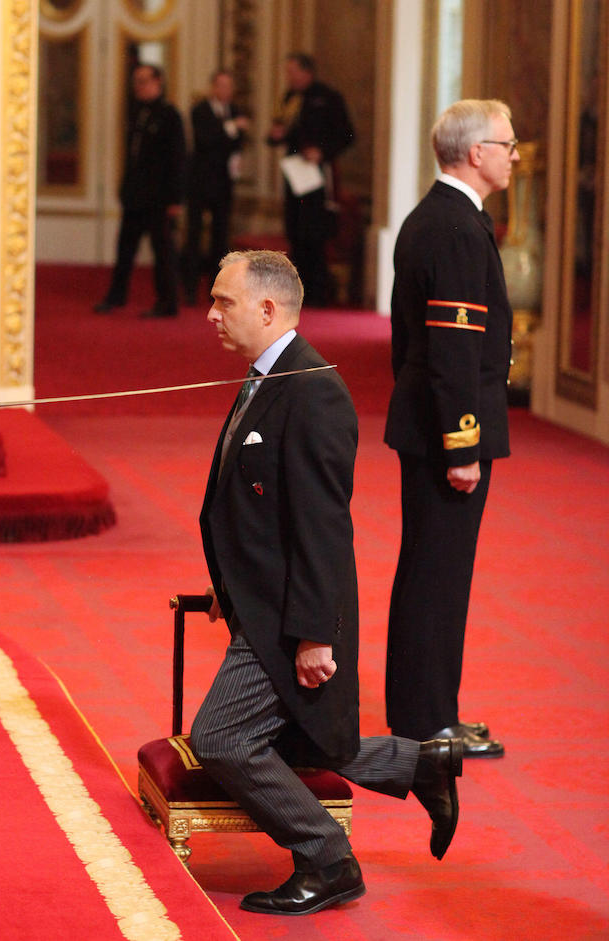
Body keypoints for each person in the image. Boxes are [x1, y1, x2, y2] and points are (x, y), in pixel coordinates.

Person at [189, 250, 463, 916]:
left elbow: (322, 530)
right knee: (301, 735)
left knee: (221, 739)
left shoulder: (311, 390)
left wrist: (316, 634)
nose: (210, 314)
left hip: (287, 615)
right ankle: (418, 763)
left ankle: (327, 856)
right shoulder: (271, 376)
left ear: (267, 307)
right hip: (258, 607)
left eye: (223, 301)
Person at [384, 100, 518, 757]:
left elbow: (405, 338)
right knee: (437, 574)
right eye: (507, 143)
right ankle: (424, 721)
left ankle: (433, 710)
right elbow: (453, 352)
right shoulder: (457, 227)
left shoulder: (437, 217)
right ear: (474, 152)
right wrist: (462, 443)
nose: (514, 154)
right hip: (448, 434)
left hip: (429, 423)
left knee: (435, 571)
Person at [94, 64, 185, 318]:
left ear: (159, 82)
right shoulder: (135, 113)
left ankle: (167, 303)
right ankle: (116, 296)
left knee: (163, 253)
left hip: (159, 198)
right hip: (135, 195)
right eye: (136, 81)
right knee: (124, 249)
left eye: (144, 81)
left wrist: (175, 199)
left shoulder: (170, 115)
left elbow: (178, 159)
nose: (139, 86)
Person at [266, 52, 353, 307]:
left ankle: (317, 292)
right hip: (294, 173)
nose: (289, 77)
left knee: (315, 231)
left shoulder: (329, 98)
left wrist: (322, 151)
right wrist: (275, 135)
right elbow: (278, 132)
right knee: (294, 229)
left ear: (307, 72)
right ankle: (297, 290)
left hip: (318, 176)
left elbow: (347, 135)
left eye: (293, 72)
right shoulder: (289, 98)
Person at [181, 70, 249, 306]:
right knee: (194, 235)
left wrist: (231, 134)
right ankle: (189, 287)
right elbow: (206, 140)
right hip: (200, 182)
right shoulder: (200, 110)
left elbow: (237, 143)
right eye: (221, 85)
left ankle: (217, 289)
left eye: (229, 86)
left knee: (221, 238)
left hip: (223, 183)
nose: (225, 91)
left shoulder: (235, 110)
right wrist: (231, 128)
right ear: (213, 87)